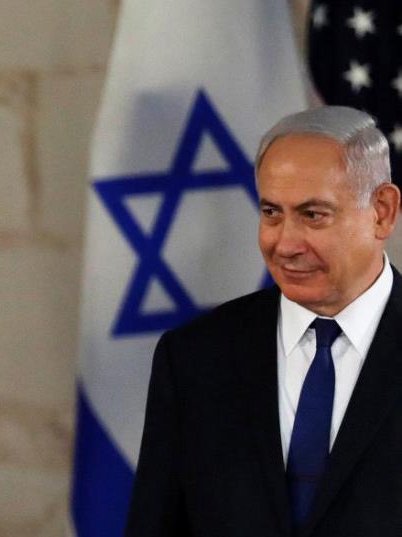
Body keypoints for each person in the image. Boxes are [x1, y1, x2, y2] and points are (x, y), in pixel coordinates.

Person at [125, 106, 402, 537]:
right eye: (272, 212)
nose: (285, 244)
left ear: (382, 211)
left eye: (313, 215)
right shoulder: (195, 358)